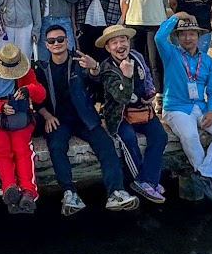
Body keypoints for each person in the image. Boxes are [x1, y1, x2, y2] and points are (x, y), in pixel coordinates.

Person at [33, 24, 139, 214]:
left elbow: (99, 86)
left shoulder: (80, 62)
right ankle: (69, 193)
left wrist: (95, 70)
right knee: (56, 147)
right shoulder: (42, 68)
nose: (56, 43)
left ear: (67, 41)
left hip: (85, 118)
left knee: (105, 144)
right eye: (51, 41)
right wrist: (46, 115)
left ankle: (116, 191)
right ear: (46, 45)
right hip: (58, 119)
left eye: (60, 39)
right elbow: (37, 100)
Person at [154, 16, 212, 202]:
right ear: (177, 37)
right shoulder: (170, 53)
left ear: (198, 37)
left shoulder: (206, 60)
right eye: (183, 34)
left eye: (192, 34)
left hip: (200, 107)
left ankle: (205, 175)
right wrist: (176, 17)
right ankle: (207, 177)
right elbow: (159, 37)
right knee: (191, 135)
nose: (187, 38)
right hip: (176, 107)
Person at [97, 25, 168, 203]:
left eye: (123, 40)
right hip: (119, 114)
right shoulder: (107, 69)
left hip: (142, 110)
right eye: (114, 42)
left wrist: (150, 92)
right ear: (107, 47)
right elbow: (122, 97)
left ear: (129, 42)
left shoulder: (137, 56)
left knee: (160, 136)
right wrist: (127, 76)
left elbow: (148, 77)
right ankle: (142, 181)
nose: (120, 46)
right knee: (128, 138)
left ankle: (147, 180)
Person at [0, 43, 45, 214]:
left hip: (19, 118)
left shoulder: (26, 70)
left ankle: (28, 190)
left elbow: (41, 94)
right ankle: (9, 187)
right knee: (1, 147)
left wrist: (29, 90)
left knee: (22, 148)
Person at [123, 0, 171, 97]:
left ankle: (159, 94)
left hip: (155, 24)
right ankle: (137, 92)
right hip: (134, 23)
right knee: (135, 60)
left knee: (155, 61)